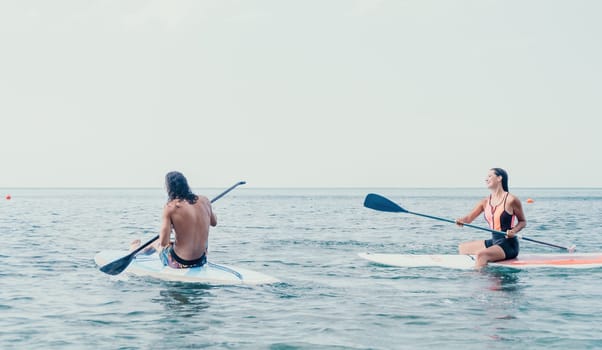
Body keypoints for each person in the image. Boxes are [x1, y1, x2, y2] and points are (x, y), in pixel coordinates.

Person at [131, 171, 217, 268]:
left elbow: (164, 242)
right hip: (201, 260)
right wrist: (208, 209)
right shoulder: (205, 200)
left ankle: (135, 251)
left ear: (169, 188)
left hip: (180, 263)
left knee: (156, 243)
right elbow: (214, 222)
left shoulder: (170, 207)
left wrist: (170, 227)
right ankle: (137, 251)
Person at [455, 168, 527, 268]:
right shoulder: (485, 202)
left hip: (508, 245)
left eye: (490, 176)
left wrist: (514, 230)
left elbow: (523, 221)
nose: (486, 179)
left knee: (481, 255)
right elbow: (468, 219)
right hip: (494, 241)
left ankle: (479, 277)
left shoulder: (511, 200)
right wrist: (461, 220)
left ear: (499, 178)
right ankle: (481, 263)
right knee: (462, 248)